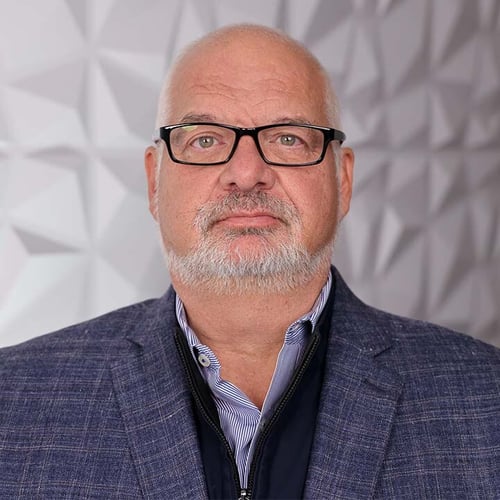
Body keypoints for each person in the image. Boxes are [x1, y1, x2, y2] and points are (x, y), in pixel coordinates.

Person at [1, 24, 499, 499]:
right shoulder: (15, 402)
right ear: (155, 181)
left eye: (287, 138)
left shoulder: (484, 398)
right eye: (204, 139)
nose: (245, 172)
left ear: (342, 180)